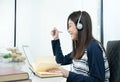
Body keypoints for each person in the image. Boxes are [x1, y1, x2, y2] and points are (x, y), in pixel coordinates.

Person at [50, 11, 110, 82]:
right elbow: (60, 60)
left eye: (70, 26)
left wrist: (68, 74)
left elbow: (98, 80)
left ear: (80, 26)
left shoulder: (93, 47)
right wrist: (56, 38)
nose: (68, 30)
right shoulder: (80, 48)